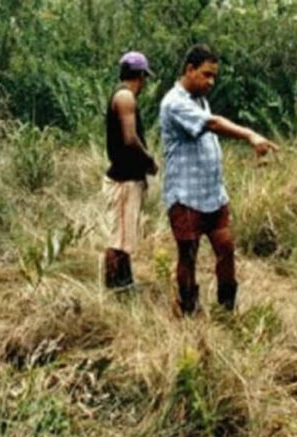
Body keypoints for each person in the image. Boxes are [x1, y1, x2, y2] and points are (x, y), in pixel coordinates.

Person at [160, 44, 278, 314]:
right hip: (186, 196)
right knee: (188, 255)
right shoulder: (174, 103)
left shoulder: (198, 98)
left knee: (225, 248)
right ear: (189, 70)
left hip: (213, 195)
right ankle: (189, 312)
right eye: (206, 75)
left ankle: (227, 310)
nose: (211, 82)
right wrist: (250, 135)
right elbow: (212, 123)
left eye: (214, 76)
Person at [103, 51, 159, 291]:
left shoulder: (121, 96)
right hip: (124, 180)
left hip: (127, 179)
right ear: (141, 76)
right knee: (119, 242)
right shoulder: (125, 97)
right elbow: (129, 138)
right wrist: (149, 161)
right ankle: (116, 289)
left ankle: (124, 284)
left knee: (125, 238)